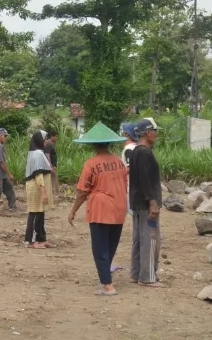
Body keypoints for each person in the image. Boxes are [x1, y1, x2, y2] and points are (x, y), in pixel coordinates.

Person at [67, 123, 129, 296]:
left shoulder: (91, 164)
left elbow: (82, 192)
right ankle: (106, 278)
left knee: (99, 248)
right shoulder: (118, 161)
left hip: (101, 209)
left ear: (93, 145)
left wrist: (73, 211)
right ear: (109, 143)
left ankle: (107, 285)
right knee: (110, 246)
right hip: (119, 208)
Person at [129, 118, 162, 287]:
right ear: (148, 132)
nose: (157, 134)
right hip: (145, 203)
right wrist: (152, 202)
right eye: (155, 131)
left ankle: (136, 273)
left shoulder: (136, 151)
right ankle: (147, 277)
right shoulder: (145, 152)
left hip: (137, 202)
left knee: (138, 239)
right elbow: (145, 180)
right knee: (150, 238)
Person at [24, 131, 53, 247]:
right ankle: (30, 241)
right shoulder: (38, 154)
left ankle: (41, 239)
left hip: (36, 187)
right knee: (35, 213)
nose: (46, 141)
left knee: (40, 214)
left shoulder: (35, 153)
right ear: (39, 140)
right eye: (44, 139)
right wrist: (44, 192)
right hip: (36, 188)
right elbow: (38, 174)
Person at [120, 122, 138, 214]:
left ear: (127, 134)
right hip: (137, 184)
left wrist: (117, 175)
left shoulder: (129, 149)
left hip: (131, 185)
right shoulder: (137, 147)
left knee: (133, 212)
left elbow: (130, 167)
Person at [44, 129, 60, 195]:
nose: (56, 138)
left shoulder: (50, 143)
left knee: (51, 179)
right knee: (53, 178)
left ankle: (52, 192)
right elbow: (47, 155)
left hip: (51, 164)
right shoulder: (49, 143)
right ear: (51, 136)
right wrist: (50, 166)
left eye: (57, 136)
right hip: (51, 165)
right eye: (55, 136)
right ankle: (55, 193)